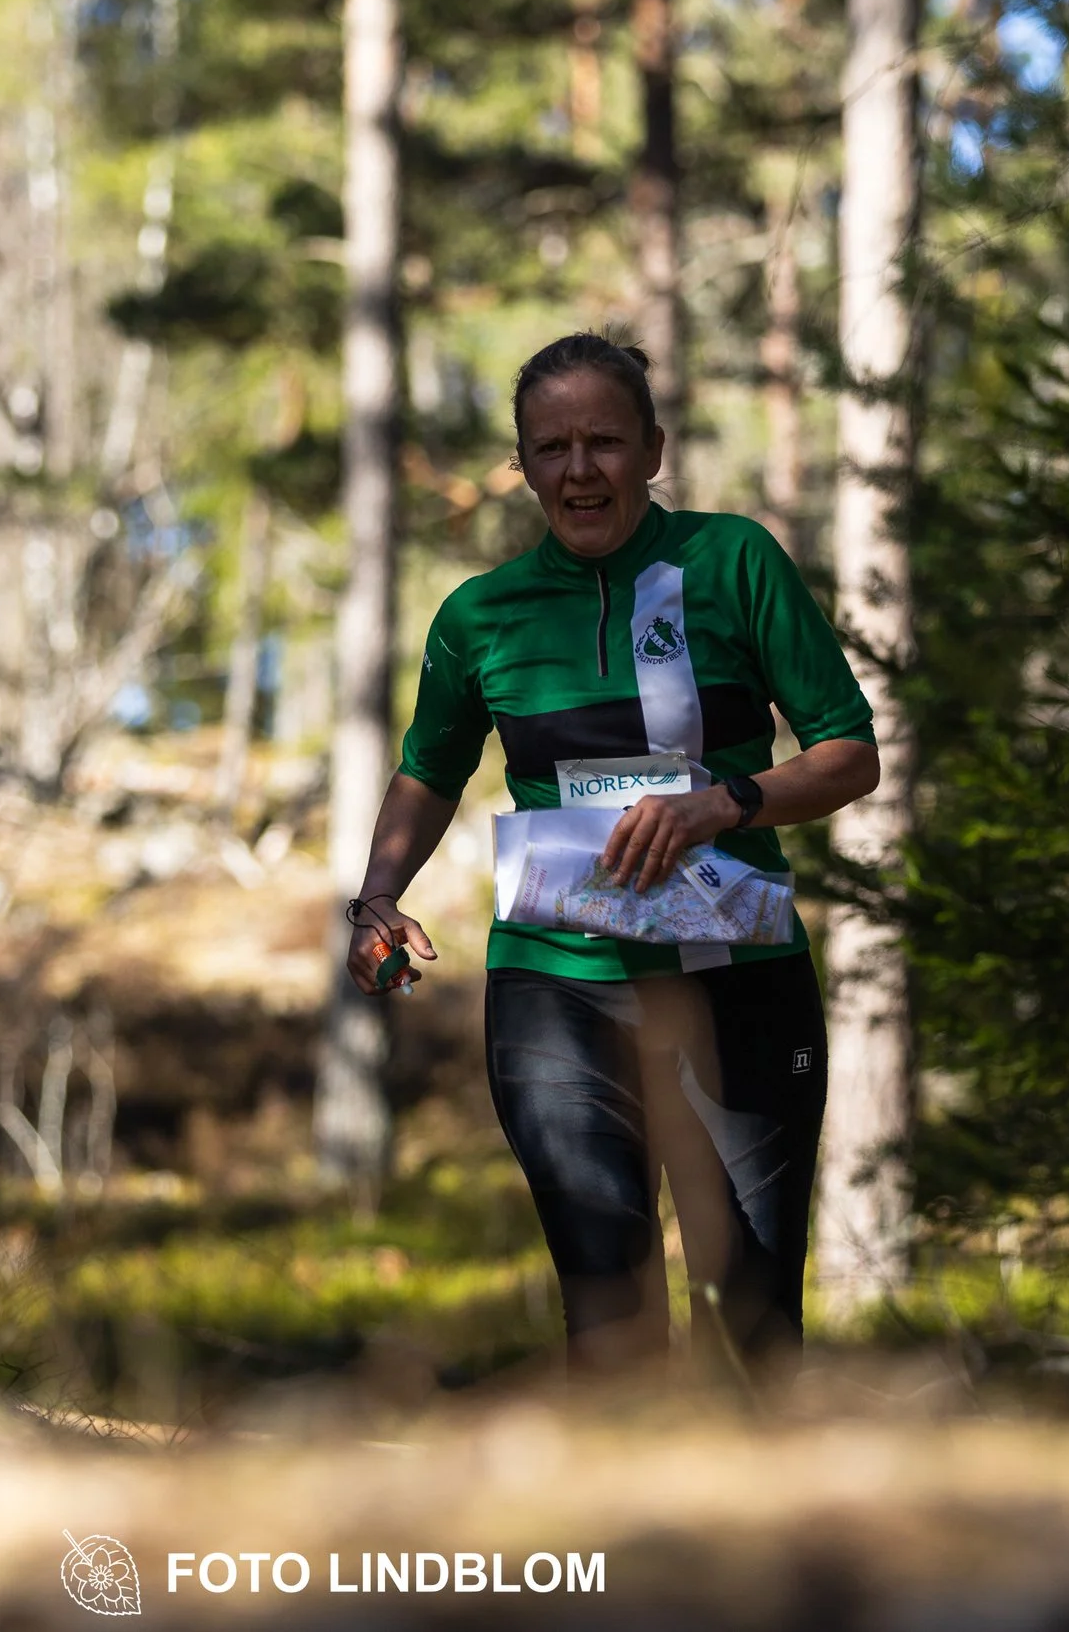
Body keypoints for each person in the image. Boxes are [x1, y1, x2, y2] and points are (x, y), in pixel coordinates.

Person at [345, 331, 880, 1374]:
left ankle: (757, 1532)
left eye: (603, 441)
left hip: (741, 981)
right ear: (523, 463)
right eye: (550, 447)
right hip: (557, 986)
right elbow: (429, 770)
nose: (577, 469)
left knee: (753, 1319)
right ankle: (640, 1532)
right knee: (608, 1302)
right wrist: (375, 899)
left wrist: (724, 804)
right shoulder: (479, 615)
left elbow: (849, 755)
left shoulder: (732, 562)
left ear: (653, 450)